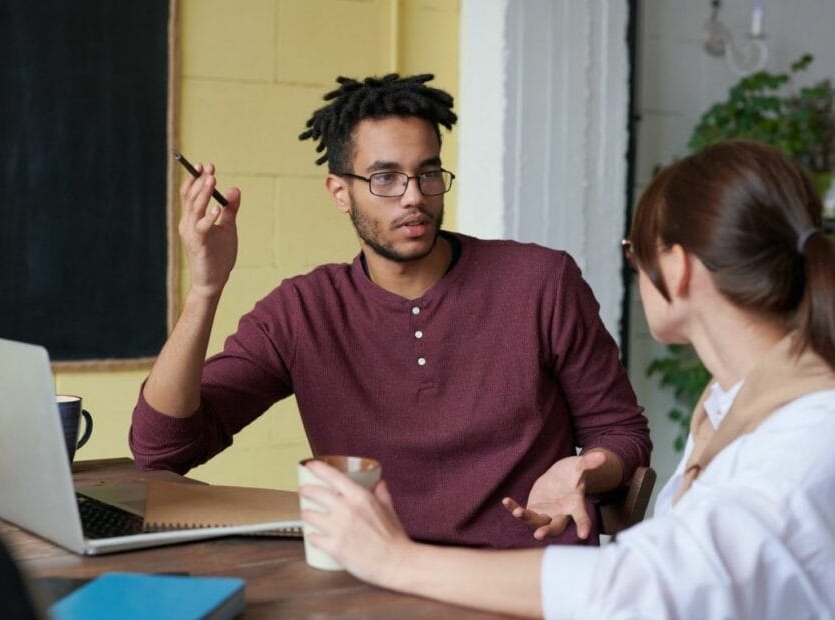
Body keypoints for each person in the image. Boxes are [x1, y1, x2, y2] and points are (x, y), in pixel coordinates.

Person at [299, 140, 835, 618]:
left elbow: (646, 588)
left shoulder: (804, 437)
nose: (411, 196)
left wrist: (396, 560)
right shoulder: (731, 405)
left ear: (678, 269)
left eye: (634, 252)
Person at [130, 73, 651, 549]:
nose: (413, 198)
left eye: (427, 174)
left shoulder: (540, 282)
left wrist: (582, 472)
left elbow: (622, 432)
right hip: (375, 581)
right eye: (385, 178)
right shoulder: (302, 310)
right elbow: (163, 449)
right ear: (340, 192)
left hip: (523, 579)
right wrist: (205, 289)